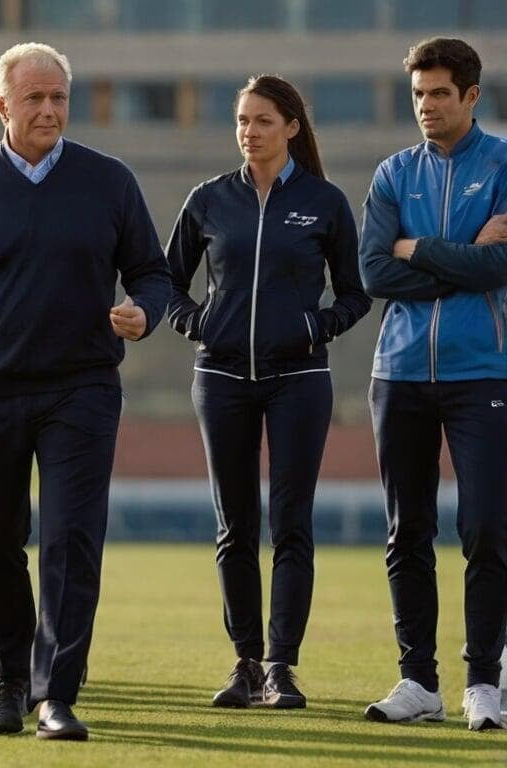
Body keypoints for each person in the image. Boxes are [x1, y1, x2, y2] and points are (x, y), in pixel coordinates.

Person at [0, 43, 171, 740]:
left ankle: (57, 694)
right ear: (3, 106)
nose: (49, 110)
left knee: (70, 541)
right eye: (34, 99)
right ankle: (11, 680)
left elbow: (152, 271)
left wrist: (144, 310)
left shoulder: (109, 182)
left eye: (59, 98)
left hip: (81, 389)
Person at [164, 75, 371, 710]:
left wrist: (316, 327)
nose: (249, 132)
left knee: (290, 525)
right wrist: (198, 324)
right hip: (221, 378)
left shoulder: (325, 202)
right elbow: (165, 283)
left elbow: (356, 293)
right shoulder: (209, 200)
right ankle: (246, 663)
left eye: (261, 121)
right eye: (241, 121)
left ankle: (282, 666)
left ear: (291, 128)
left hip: (299, 380)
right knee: (234, 527)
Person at [358, 37, 507, 732]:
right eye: (418, 94)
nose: (426, 106)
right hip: (401, 373)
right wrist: (467, 255)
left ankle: (485, 681)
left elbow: (500, 268)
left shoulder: (504, 163)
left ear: (471, 96)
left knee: (485, 528)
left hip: (485, 372)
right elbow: (374, 273)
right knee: (406, 530)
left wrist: (418, 249)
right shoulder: (392, 175)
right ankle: (418, 681)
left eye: (439, 94)